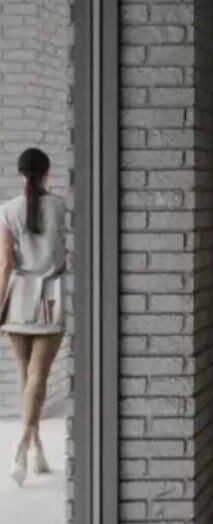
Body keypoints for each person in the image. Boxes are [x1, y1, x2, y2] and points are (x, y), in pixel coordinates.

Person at [0, 148, 67, 486]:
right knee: (38, 376)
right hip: (51, 300)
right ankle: (24, 442)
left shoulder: (7, 210)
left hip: (18, 301)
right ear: (46, 172)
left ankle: (35, 449)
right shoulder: (62, 208)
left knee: (25, 375)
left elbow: (5, 265)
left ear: (20, 173)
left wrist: (0, 306)